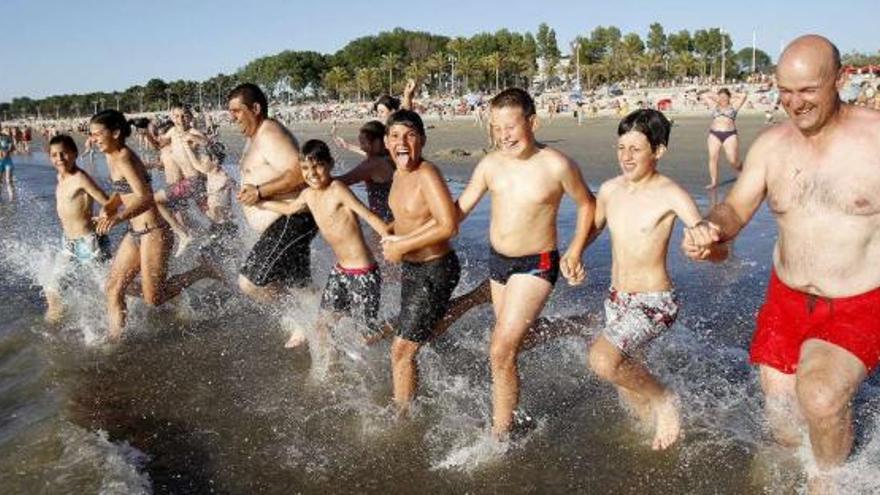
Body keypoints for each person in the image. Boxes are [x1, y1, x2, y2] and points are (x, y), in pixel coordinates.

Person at [684, 35, 880, 490]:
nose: (794, 103)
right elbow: (733, 209)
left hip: (858, 300)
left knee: (821, 396)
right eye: (785, 91)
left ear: (841, 79)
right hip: (787, 297)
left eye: (808, 90)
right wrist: (712, 230)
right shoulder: (773, 146)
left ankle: (829, 482)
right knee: (783, 421)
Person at [452, 88, 595, 437]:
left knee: (500, 349)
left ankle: (501, 432)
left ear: (533, 121)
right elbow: (457, 211)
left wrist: (575, 250)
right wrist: (415, 234)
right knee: (516, 342)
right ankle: (574, 325)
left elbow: (588, 205)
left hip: (537, 264)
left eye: (511, 127)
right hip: (498, 264)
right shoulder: (490, 165)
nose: (503, 136)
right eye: (496, 129)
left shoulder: (557, 165)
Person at [586, 109, 703, 450]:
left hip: (654, 301)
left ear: (658, 151)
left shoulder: (671, 193)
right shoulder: (609, 190)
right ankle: (650, 427)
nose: (626, 157)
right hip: (617, 299)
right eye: (621, 148)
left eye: (636, 149)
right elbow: (594, 227)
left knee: (603, 360)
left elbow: (699, 227)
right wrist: (574, 253)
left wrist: (700, 239)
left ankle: (666, 400)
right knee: (625, 380)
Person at [91, 110, 215, 341]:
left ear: (116, 133)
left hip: (154, 232)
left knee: (153, 298)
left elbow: (145, 197)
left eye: (99, 134)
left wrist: (117, 217)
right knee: (114, 287)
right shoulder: (111, 155)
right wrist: (109, 205)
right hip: (135, 232)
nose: (93, 139)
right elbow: (124, 188)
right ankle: (115, 341)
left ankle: (205, 270)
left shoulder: (124, 156)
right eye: (92, 134)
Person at [256, 140, 390, 354]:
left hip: (364, 273)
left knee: (365, 336)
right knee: (322, 327)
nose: (312, 173)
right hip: (340, 272)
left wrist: (391, 239)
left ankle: (398, 326)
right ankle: (329, 371)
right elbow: (290, 208)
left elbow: (368, 215)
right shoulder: (308, 194)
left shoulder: (338, 189)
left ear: (330, 164)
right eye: (306, 168)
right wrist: (259, 200)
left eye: (318, 166)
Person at [379, 110, 460, 414]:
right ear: (387, 142)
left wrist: (401, 247)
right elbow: (409, 216)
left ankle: (402, 416)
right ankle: (477, 298)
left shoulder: (427, 173)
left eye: (410, 135)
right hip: (413, 269)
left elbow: (448, 225)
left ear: (422, 141)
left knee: (401, 349)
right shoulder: (399, 173)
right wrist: (389, 231)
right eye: (396, 136)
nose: (403, 142)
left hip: (435, 268)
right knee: (417, 337)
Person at [228, 83, 317, 303]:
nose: (233, 118)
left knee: (249, 282)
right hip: (286, 222)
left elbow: (300, 173)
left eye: (237, 111)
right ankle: (318, 326)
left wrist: (259, 192)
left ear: (255, 108)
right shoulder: (256, 137)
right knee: (300, 286)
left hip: (290, 219)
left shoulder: (269, 132)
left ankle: (305, 316)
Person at [44, 134, 112, 322]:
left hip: (88, 242)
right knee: (52, 289)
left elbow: (107, 201)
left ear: (74, 154)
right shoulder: (60, 177)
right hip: (68, 243)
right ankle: (53, 325)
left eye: (64, 154)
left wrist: (104, 215)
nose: (59, 159)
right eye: (54, 155)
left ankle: (128, 312)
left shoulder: (81, 178)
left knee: (107, 287)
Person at [332, 79, 417, 157]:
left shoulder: (397, 128)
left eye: (382, 112)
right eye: (378, 112)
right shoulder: (381, 129)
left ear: (392, 111)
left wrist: (407, 96)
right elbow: (371, 152)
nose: (379, 115)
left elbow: (406, 114)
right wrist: (347, 146)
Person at [335, 120, 395, 222]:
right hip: (396, 216)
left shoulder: (373, 165)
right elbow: (367, 152)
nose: (362, 148)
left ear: (377, 142)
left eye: (363, 143)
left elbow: (343, 180)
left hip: (384, 219)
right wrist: (348, 146)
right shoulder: (390, 156)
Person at [701, 88, 748, 189]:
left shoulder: (734, 106)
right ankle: (714, 182)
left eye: (725, 97)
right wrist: (716, 95)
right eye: (721, 97)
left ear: (729, 97)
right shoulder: (714, 105)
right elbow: (704, 95)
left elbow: (743, 95)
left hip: (730, 135)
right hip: (714, 134)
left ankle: (741, 170)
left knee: (733, 160)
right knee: (713, 158)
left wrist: (731, 93)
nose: (723, 99)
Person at [0, 124, 15, 201]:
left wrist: (8, 150)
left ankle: (12, 200)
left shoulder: (6, 137)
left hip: (7, 161)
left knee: (8, 180)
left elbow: (12, 148)